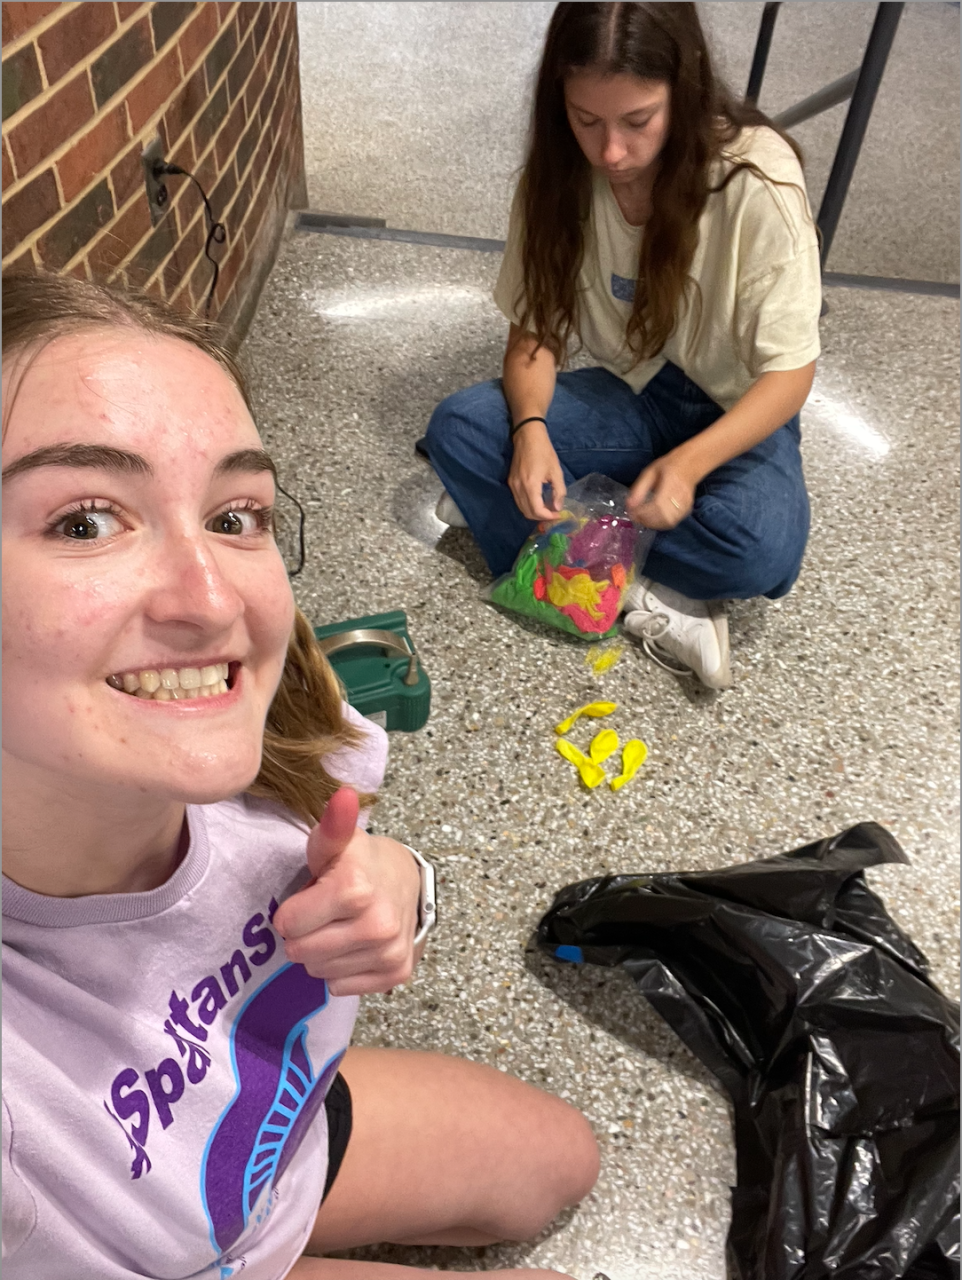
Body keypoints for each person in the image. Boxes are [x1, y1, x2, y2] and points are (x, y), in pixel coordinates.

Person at [1, 273, 599, 1280]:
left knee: (561, 1158)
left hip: (275, 1138)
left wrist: (396, 884)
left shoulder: (267, 734)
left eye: (235, 515)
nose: (212, 600)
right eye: (85, 522)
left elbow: (358, 855)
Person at [422, 1, 821, 689]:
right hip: (635, 391)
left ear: (685, 93)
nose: (610, 153)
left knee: (762, 547)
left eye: (638, 121)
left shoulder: (756, 179)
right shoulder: (556, 177)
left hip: (737, 411)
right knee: (460, 429)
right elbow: (534, 332)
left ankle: (559, 548)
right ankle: (649, 593)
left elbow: (790, 375)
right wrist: (530, 428)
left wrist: (690, 465)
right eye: (586, 120)